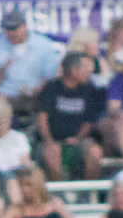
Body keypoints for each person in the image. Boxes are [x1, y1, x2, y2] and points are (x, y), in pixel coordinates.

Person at [37, 51, 106, 181]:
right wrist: (49, 141)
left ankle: (87, 189)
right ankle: (60, 191)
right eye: (85, 68)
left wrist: (77, 138)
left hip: (80, 140)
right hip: (52, 140)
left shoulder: (88, 90)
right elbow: (42, 118)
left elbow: (88, 122)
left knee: (95, 152)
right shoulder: (51, 88)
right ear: (73, 69)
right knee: (53, 152)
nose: (89, 72)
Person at [0, 7, 62, 116]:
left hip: (35, 97)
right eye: (8, 29)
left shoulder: (43, 45)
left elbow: (52, 78)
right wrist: (2, 69)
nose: (11, 33)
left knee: (49, 100)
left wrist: (38, 90)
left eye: (14, 28)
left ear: (24, 26)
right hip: (6, 97)